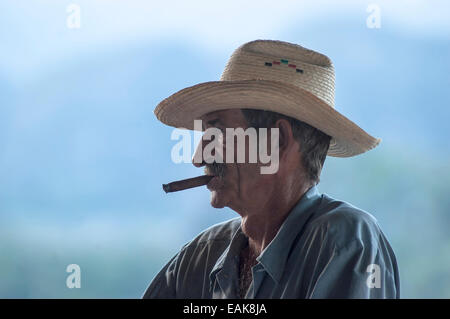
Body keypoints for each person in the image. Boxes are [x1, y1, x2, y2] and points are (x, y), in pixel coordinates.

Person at [143, 40, 400, 298]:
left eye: (217, 131)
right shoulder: (201, 256)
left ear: (277, 141)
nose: (198, 158)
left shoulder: (344, 241)